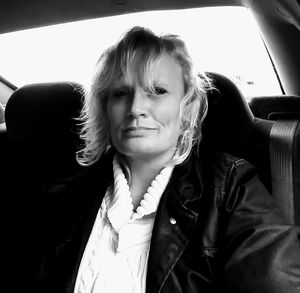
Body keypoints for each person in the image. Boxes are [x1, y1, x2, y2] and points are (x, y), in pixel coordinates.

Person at [35, 26, 300, 292]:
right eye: (121, 93)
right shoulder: (62, 200)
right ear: (105, 109)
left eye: (158, 90)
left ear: (186, 109)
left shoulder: (230, 188)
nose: (135, 108)